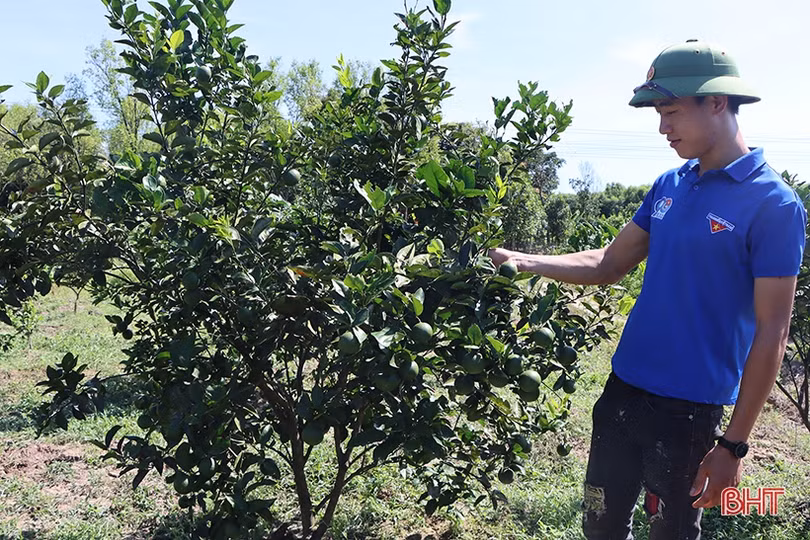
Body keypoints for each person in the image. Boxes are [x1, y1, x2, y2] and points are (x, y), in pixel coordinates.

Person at [489, 39, 806, 540]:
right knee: (600, 526)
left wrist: (734, 445)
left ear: (718, 102)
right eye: (659, 114)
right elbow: (608, 263)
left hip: (689, 413)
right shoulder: (669, 184)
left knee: (671, 533)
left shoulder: (773, 204)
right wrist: (522, 260)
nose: (663, 128)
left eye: (672, 112)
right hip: (622, 392)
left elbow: (773, 331)